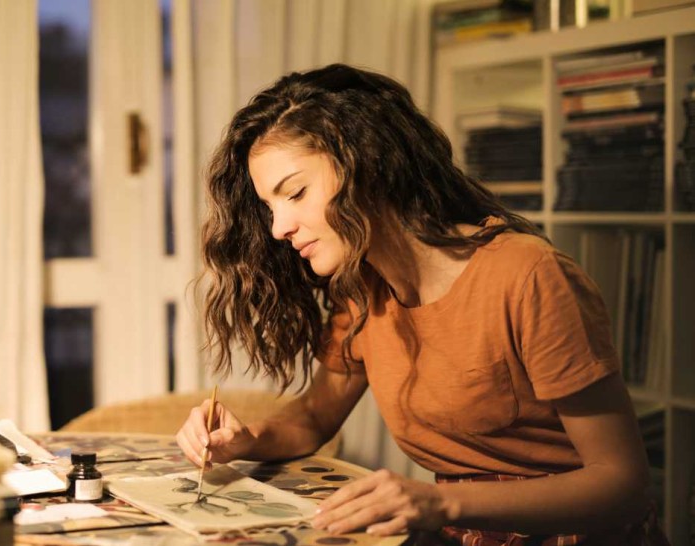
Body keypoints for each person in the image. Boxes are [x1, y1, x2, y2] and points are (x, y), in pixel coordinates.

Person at [175, 64, 667, 545]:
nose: (279, 228)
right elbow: (312, 421)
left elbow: (622, 482)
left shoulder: (527, 275)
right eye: (270, 207)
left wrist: (439, 503)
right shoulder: (362, 285)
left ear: (365, 161)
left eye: (296, 193)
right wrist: (244, 441)